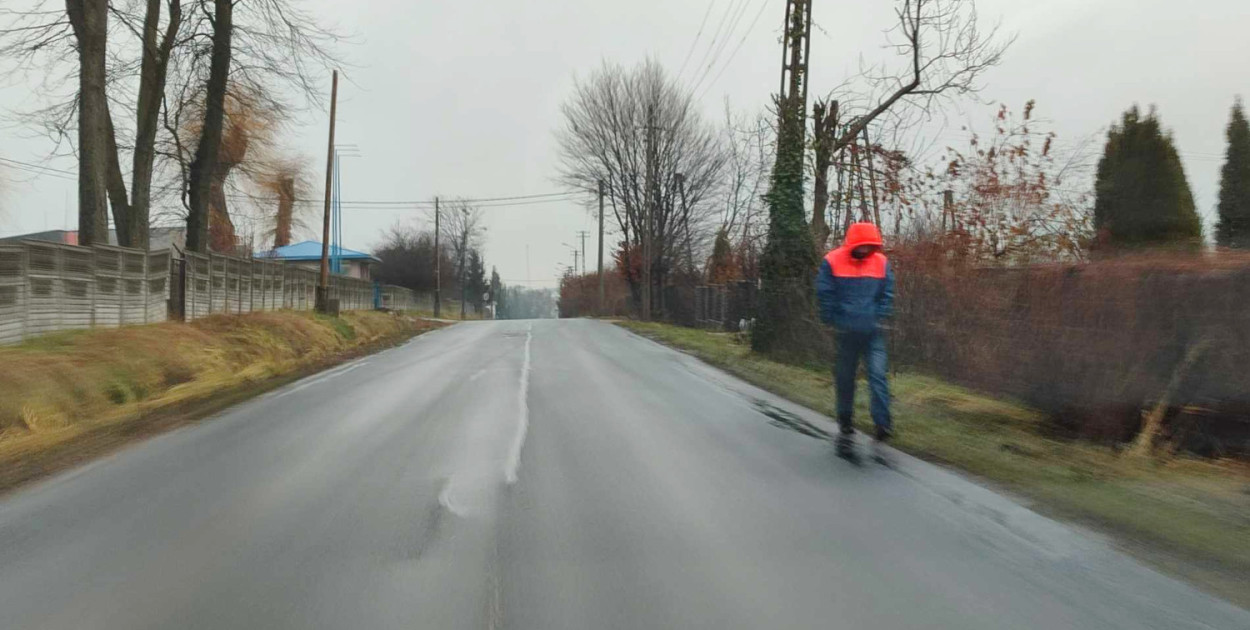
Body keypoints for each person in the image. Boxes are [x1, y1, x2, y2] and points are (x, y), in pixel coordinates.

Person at [815, 222, 895, 459]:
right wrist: (832, 320)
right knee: (845, 378)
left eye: (870, 246)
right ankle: (845, 420)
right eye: (862, 246)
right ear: (852, 243)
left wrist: (880, 316)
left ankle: (883, 425)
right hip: (846, 332)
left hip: (873, 332)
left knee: (878, 375)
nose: (865, 250)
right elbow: (825, 293)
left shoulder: (881, 263)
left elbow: (887, 293)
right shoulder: (832, 261)